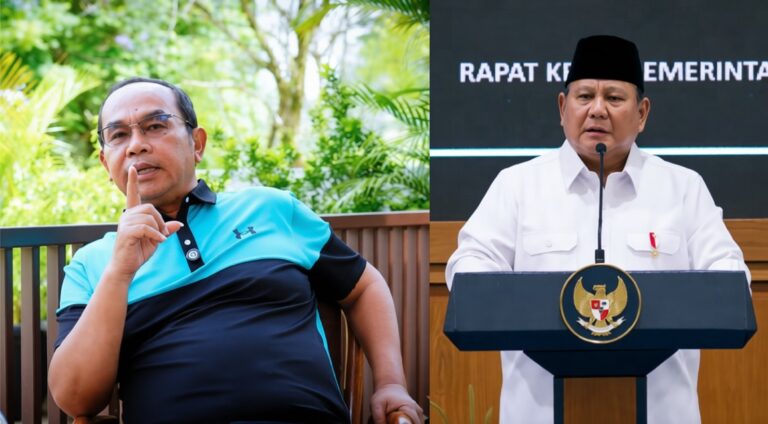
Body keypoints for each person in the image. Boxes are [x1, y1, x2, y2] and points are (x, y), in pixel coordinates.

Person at [48, 77, 423, 424]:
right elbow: (76, 399)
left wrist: (391, 382)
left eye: (156, 126)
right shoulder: (92, 264)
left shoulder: (271, 209)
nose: (136, 145)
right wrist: (119, 273)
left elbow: (363, 285)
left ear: (197, 144)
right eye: (118, 135)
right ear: (104, 162)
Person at [445, 35, 750, 424]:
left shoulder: (683, 187)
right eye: (585, 96)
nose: (597, 110)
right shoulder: (517, 185)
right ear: (562, 107)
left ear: (642, 112)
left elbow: (730, 275)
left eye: (615, 98)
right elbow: (469, 266)